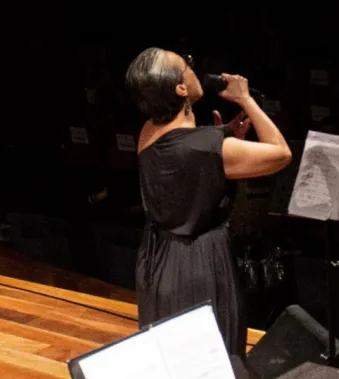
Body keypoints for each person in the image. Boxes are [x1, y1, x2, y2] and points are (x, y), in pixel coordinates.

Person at [124, 48, 292, 357]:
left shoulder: (147, 132)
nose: (192, 66)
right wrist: (245, 99)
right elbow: (280, 153)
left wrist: (223, 135)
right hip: (200, 261)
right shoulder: (207, 147)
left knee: (172, 355)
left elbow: (186, 156)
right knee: (215, 357)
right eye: (186, 65)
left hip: (158, 258)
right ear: (181, 88)